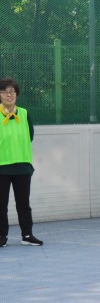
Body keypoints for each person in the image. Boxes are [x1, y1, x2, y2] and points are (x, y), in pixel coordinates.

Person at [0, 76, 43, 247]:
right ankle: (2, 236)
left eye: (12, 91)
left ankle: (27, 234)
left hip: (23, 167)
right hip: (2, 166)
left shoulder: (24, 113)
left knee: (23, 204)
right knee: (1, 205)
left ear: (16, 94)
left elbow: (30, 136)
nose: (9, 95)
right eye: (4, 92)